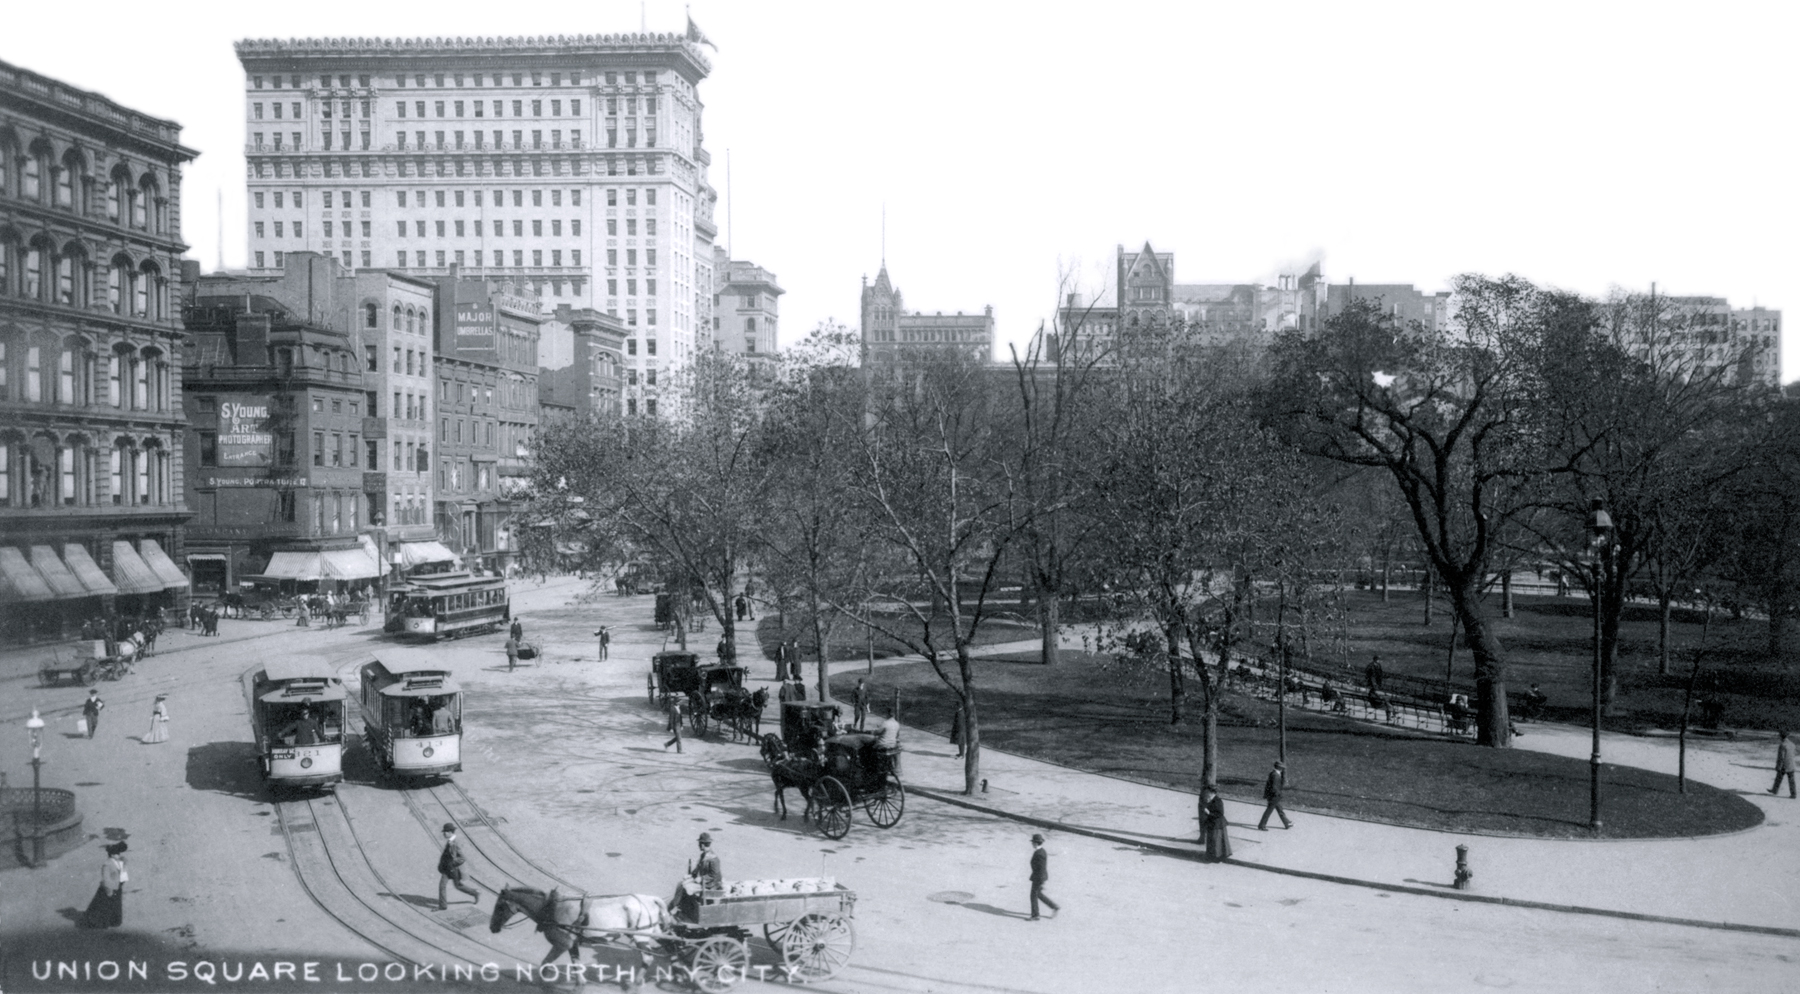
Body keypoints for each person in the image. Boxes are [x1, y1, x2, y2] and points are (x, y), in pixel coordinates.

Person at [671, 833, 722, 921]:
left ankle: (674, 907)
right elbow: (698, 868)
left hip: (711, 886)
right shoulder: (703, 855)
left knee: (685, 887)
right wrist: (690, 875)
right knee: (681, 883)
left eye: (699, 844)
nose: (698, 846)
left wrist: (702, 878)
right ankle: (679, 906)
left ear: (702, 844)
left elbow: (714, 875)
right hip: (704, 882)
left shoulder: (714, 859)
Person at [82, 842, 128, 928]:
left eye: (118, 854)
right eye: (116, 854)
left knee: (115, 905)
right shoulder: (107, 864)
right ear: (112, 855)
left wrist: (124, 866)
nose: (118, 855)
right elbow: (106, 878)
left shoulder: (119, 863)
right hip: (108, 888)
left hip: (117, 887)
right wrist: (108, 889)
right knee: (104, 906)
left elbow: (123, 875)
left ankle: (114, 921)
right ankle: (100, 922)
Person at [437, 823, 480, 911]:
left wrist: (452, 863)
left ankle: (475, 893)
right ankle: (443, 905)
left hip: (454, 869)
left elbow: (462, 858)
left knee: (458, 886)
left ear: (450, 832)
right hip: (447, 868)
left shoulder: (455, 843)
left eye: (445, 832)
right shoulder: (450, 841)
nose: (444, 834)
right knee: (442, 886)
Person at [1027, 833, 1059, 920]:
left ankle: (1035, 915)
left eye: (1033, 842)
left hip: (1038, 877)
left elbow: (1041, 868)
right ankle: (1054, 907)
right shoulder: (1041, 851)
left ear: (1036, 843)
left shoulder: (1039, 853)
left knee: (1033, 895)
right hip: (1039, 877)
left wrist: (1040, 880)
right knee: (1038, 894)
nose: (1032, 844)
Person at [1200, 786, 1232, 861]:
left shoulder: (1218, 801)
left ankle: (1217, 857)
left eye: (1207, 793)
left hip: (1218, 824)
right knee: (1213, 840)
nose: (1206, 794)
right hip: (1213, 824)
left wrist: (1209, 813)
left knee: (1216, 841)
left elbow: (1220, 813)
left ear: (1212, 793)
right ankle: (1213, 856)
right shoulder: (1210, 799)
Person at [1258, 761, 1292, 830]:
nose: (1283, 769)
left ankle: (1287, 823)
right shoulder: (1275, 775)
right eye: (1282, 768)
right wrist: (1278, 794)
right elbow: (1274, 787)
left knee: (1280, 810)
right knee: (1268, 811)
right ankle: (1261, 825)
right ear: (1279, 767)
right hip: (1274, 796)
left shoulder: (1274, 773)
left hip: (1272, 795)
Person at [1773, 730, 1797, 799]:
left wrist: (1778, 766)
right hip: (1791, 764)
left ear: (1781, 737)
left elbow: (1781, 757)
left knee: (1778, 778)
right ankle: (1793, 794)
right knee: (1791, 780)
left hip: (1784, 765)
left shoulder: (1782, 745)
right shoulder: (1792, 744)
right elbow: (1793, 754)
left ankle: (1775, 790)